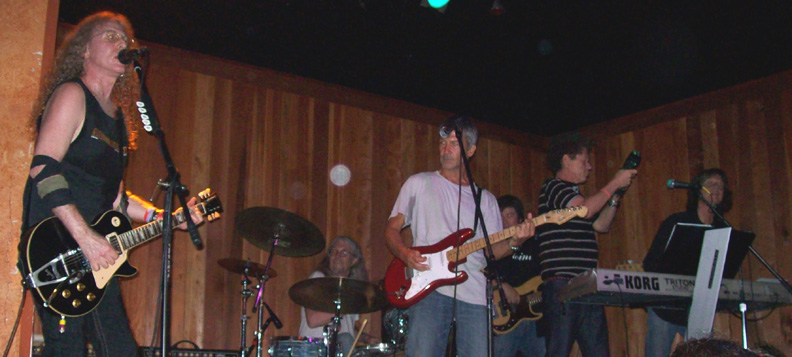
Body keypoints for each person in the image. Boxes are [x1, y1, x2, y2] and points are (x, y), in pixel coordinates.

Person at [19, 12, 203, 356]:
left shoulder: (118, 120)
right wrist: (84, 237)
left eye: (124, 39)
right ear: (84, 51)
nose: (121, 44)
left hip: (98, 254)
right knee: (67, 349)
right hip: (57, 247)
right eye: (109, 36)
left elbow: (117, 199)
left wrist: (168, 218)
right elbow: (42, 167)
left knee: (120, 349)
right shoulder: (73, 94)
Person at [384, 115, 535, 357]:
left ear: (471, 149)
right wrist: (405, 254)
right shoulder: (419, 183)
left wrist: (516, 242)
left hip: (474, 293)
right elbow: (391, 230)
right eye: (442, 143)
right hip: (429, 287)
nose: (446, 149)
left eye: (454, 143)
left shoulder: (484, 199)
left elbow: (489, 253)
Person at [536, 133, 636, 356]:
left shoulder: (574, 195)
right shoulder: (554, 187)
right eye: (584, 160)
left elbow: (601, 225)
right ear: (566, 160)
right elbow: (587, 210)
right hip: (563, 285)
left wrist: (614, 197)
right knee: (558, 351)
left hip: (586, 285)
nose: (589, 167)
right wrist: (615, 182)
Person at [643, 168, 731, 357]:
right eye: (711, 184)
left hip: (699, 308)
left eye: (720, 187)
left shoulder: (722, 229)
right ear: (698, 190)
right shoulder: (677, 222)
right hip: (664, 306)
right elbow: (650, 263)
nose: (716, 189)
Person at [298, 236, 379, 355]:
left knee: (347, 338)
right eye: (334, 251)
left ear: (354, 260)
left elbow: (348, 328)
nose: (337, 256)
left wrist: (366, 339)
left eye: (344, 252)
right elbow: (312, 320)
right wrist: (345, 306)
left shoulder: (351, 290)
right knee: (346, 339)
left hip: (340, 350)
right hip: (313, 350)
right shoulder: (318, 279)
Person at [489, 194, 546, 356]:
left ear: (521, 219)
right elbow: (476, 271)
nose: (505, 222)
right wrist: (499, 286)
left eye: (510, 215)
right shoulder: (491, 248)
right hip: (504, 320)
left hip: (536, 320)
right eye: (500, 217)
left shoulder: (535, 245)